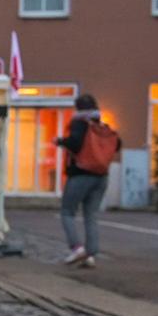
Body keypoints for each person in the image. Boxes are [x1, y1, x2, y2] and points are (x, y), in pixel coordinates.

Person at [55, 95, 115, 268]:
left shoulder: (79, 123)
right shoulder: (102, 126)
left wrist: (60, 141)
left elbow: (75, 143)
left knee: (67, 212)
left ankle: (77, 248)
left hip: (80, 174)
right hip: (101, 176)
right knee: (91, 214)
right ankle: (90, 255)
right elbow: (117, 144)